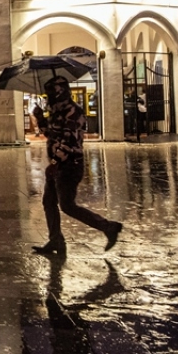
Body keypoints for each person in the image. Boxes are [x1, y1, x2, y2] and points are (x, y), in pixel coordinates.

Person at [34, 75, 123, 255]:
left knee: (67, 205)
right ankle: (56, 240)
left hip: (69, 166)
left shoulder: (73, 112)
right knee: (49, 202)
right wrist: (40, 118)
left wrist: (54, 163)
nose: (50, 96)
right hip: (56, 167)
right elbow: (50, 135)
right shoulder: (56, 112)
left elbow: (68, 141)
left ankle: (108, 227)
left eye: (52, 92)